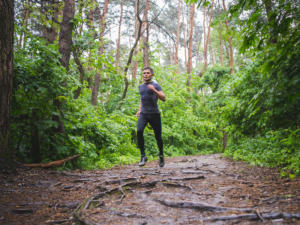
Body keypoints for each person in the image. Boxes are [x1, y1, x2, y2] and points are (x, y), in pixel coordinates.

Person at [136, 67, 166, 167]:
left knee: (158, 136)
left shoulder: (156, 85)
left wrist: (154, 90)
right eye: (144, 73)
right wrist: (139, 109)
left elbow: (163, 98)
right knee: (139, 131)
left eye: (148, 73)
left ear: (152, 75)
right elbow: (142, 98)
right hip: (144, 114)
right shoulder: (140, 86)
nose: (145, 74)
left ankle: (161, 156)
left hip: (154, 114)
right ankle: (143, 156)